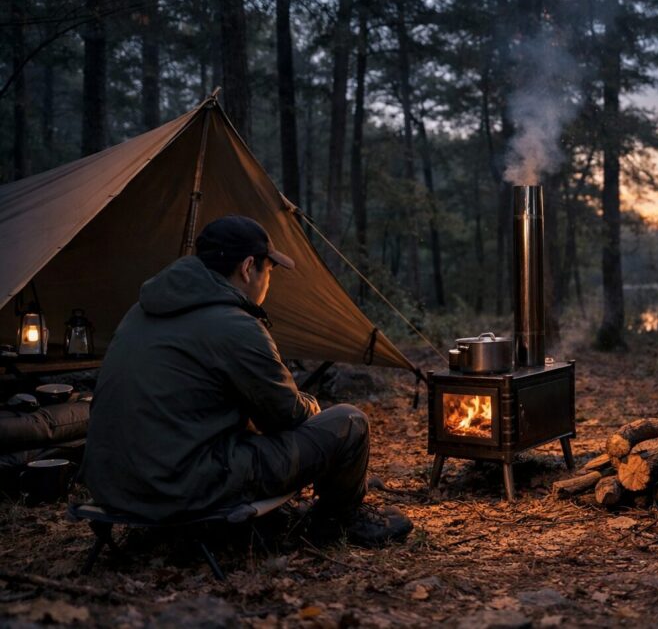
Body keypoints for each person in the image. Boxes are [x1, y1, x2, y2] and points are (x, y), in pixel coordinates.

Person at [82, 215, 411, 546]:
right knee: (349, 422)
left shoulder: (139, 312)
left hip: (113, 487)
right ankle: (337, 522)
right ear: (248, 267)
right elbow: (287, 417)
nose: (269, 280)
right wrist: (312, 405)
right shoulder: (235, 324)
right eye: (269, 270)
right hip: (178, 488)